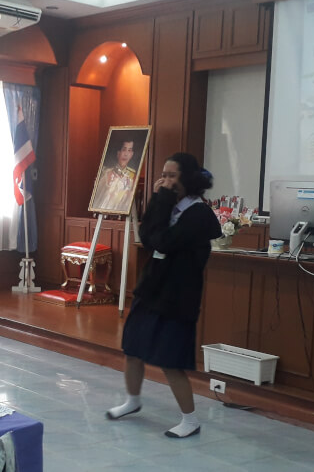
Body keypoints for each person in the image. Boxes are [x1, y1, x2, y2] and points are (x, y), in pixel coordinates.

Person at [105, 153, 221, 438]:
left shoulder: (198, 214)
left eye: (172, 176)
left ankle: (190, 420)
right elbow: (146, 236)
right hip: (152, 288)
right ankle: (132, 400)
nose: (165, 181)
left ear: (187, 179)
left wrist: (162, 201)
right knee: (133, 349)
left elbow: (164, 242)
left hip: (177, 297)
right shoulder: (167, 204)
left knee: (171, 361)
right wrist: (160, 202)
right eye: (164, 175)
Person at [90, 133, 139, 213]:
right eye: (124, 149)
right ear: (118, 153)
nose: (126, 154)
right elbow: (99, 199)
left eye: (129, 150)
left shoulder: (133, 177)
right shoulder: (106, 173)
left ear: (132, 154)